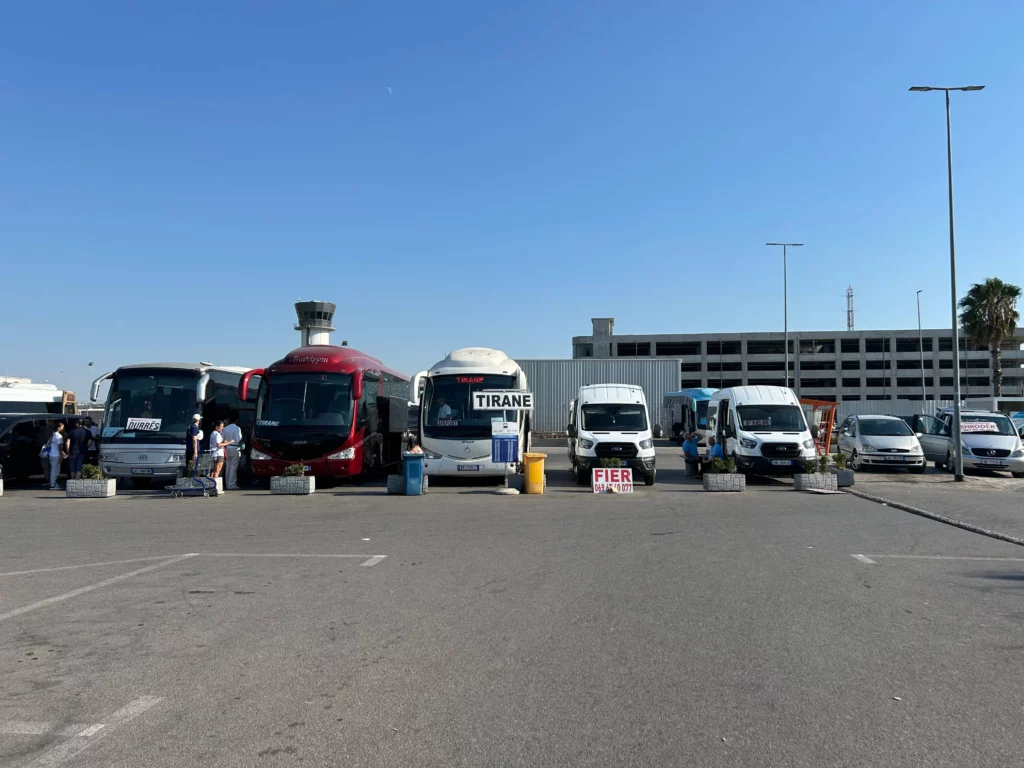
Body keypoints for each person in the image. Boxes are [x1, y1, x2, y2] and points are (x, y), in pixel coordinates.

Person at [221, 413, 243, 490]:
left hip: (227, 448)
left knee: (228, 466)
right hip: (235, 448)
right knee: (233, 467)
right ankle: (231, 484)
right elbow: (238, 439)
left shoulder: (225, 428)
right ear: (236, 420)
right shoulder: (237, 428)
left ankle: (227, 483)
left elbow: (222, 438)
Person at [45, 422, 67, 489]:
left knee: (53, 470)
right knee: (55, 471)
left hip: (51, 454)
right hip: (56, 455)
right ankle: (53, 485)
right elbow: (59, 447)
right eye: (62, 427)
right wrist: (61, 456)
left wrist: (63, 454)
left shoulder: (53, 434)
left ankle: (54, 483)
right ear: (58, 428)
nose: (63, 428)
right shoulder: (59, 436)